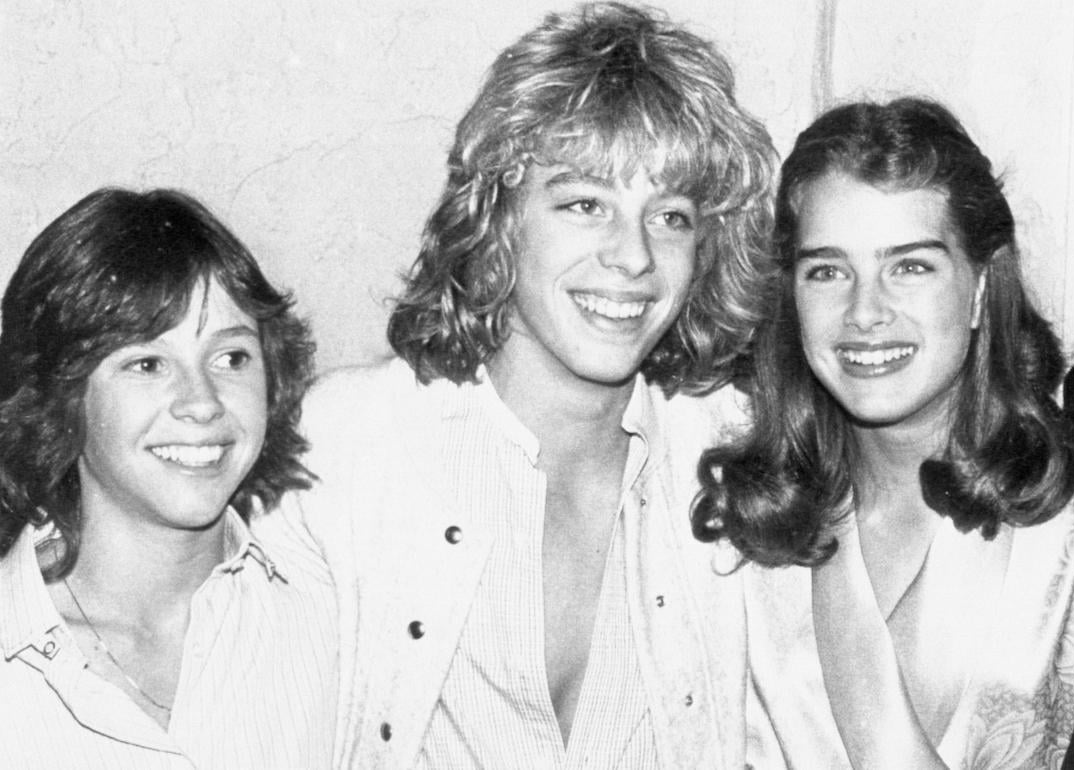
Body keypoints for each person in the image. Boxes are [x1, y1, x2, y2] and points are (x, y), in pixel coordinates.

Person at [278, 2, 775, 767]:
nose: (633, 257)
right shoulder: (348, 441)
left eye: (670, 216)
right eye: (585, 204)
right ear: (498, 218)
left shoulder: (739, 448)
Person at [692, 97, 1074, 768]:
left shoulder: (1064, 535)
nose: (865, 311)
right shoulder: (741, 518)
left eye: (910, 266)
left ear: (982, 289)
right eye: (828, 271)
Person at [0, 188, 337, 768]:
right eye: (147, 364)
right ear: (61, 394)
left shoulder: (332, 625)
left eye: (231, 358)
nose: (202, 402)